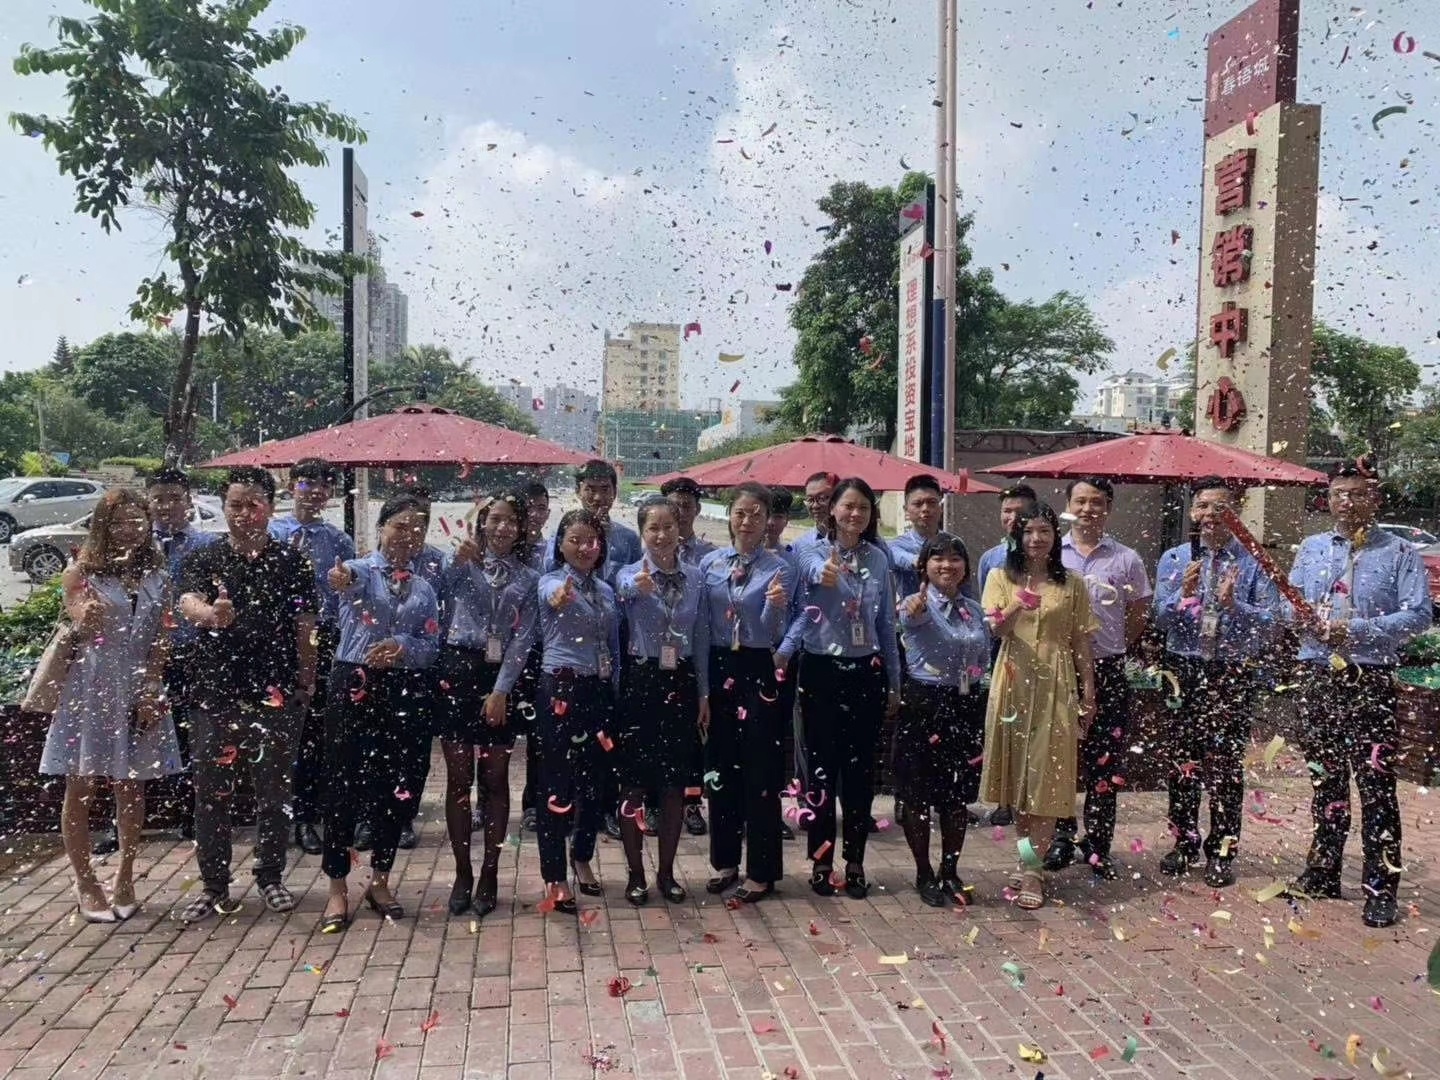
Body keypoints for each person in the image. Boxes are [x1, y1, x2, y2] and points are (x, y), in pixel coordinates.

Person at [1281, 463, 1430, 928]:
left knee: (1375, 784)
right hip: (1317, 673)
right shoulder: (1312, 547)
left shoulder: (1400, 552)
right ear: (1328, 500)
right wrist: (1298, 616)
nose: (1346, 502)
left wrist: (1357, 629)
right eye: (1338, 494)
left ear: (1375, 499)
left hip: (1370, 676)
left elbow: (1419, 615)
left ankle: (1380, 888)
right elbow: (1287, 604)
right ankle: (1323, 871)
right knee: (1325, 779)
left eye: (1357, 494)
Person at [176, 467, 318, 923]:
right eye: (235, 504)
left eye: (253, 504)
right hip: (214, 692)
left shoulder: (291, 561)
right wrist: (210, 615)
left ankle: (270, 875)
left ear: (270, 508)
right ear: (223, 508)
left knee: (273, 792)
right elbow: (186, 602)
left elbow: (305, 626)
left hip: (275, 692)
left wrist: (307, 680)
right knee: (211, 794)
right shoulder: (206, 557)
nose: (244, 513)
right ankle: (214, 884)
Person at [41, 489, 182, 922]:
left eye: (137, 521)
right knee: (81, 786)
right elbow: (77, 613)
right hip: (90, 688)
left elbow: (162, 637)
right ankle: (85, 882)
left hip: (139, 687)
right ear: (102, 526)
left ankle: (125, 876)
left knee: (131, 786)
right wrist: (84, 614)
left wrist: (152, 686)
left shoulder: (158, 575)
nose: (129, 530)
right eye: (119, 522)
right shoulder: (81, 572)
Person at [317, 495, 440, 932]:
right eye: (400, 526)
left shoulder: (424, 588)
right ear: (381, 528)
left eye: (417, 528)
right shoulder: (360, 570)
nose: (408, 535)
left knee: (395, 785)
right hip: (354, 681)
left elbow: (432, 646)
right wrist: (342, 577)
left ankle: (381, 880)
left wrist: (402, 646)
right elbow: (344, 582)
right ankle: (337, 887)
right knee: (343, 784)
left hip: (402, 688)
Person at [1152, 478, 1279, 887]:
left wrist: (1233, 605)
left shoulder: (1253, 560)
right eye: (1204, 506)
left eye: (1221, 507)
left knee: (1225, 764)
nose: (1211, 515)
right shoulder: (1174, 558)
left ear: (1236, 513)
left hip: (1230, 669)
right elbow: (1159, 619)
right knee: (1182, 760)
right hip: (1183, 667)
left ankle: (1222, 851)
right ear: (1193, 512)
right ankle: (1184, 842)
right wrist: (1181, 596)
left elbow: (1272, 622)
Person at [779, 477, 901, 900]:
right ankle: (821, 860)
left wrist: (893, 682)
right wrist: (823, 573)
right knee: (820, 771)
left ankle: (855, 862)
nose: (855, 514)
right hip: (820, 672)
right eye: (848, 506)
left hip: (866, 671)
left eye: (863, 508)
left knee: (859, 774)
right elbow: (805, 591)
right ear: (832, 509)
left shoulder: (878, 558)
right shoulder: (808, 550)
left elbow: (886, 624)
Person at [92, 468, 220, 857]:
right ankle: (120, 825)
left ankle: (191, 817)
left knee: (192, 738)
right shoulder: (128, 547)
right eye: (158, 499)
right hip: (134, 661)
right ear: (148, 504)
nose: (167, 506)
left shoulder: (206, 545)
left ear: (189, 501)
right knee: (125, 740)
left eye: (175, 498)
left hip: (190, 654)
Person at [981, 503, 1097, 910]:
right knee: (1019, 780)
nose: (1036, 538)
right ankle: (1027, 857)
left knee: (1047, 777)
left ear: (1054, 536)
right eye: (1028, 531)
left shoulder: (1073, 583)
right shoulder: (999, 576)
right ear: (1017, 536)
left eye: (1044, 530)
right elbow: (996, 628)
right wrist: (1019, 604)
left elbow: (1081, 642)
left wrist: (1089, 693)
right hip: (1012, 681)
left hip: (1056, 682)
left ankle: (1032, 870)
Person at [435, 491, 539, 916]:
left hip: (502, 677)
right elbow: (437, 595)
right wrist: (457, 561)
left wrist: (501, 690)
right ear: (481, 523)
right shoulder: (460, 561)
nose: (502, 527)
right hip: (459, 669)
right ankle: (463, 871)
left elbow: (524, 639)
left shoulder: (529, 578)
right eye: (494, 519)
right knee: (459, 780)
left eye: (510, 520)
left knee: (495, 779)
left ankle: (490, 873)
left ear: (521, 527)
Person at [1044, 477, 1151, 880]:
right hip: (1058, 670)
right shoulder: (1051, 556)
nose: (1088, 509)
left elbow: (1139, 612)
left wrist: (1113, 644)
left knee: (1105, 759)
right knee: (1059, 758)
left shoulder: (1127, 559)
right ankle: (1060, 836)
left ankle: (1099, 844)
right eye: (1081, 501)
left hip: (1107, 668)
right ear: (1068, 505)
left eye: (1097, 503)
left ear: (1108, 508)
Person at [699, 483, 794, 902]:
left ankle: (761, 870)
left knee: (760, 769)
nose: (748, 521)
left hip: (758, 665)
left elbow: (776, 631)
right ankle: (725, 862)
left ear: (768, 519)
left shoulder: (780, 568)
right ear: (729, 516)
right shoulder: (711, 563)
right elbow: (702, 625)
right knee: (721, 767)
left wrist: (775, 605)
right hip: (720, 664)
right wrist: (702, 688)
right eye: (740, 512)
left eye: (757, 513)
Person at [613, 497, 710, 904]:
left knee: (673, 786)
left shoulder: (695, 578)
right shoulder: (629, 574)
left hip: (681, 681)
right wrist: (634, 588)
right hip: (641, 681)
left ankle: (666, 873)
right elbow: (618, 594)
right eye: (653, 527)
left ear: (679, 528)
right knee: (634, 785)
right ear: (642, 532)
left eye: (668, 526)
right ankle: (635, 874)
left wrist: (703, 692)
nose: (662, 534)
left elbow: (701, 637)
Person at [895, 533, 990, 907]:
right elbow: (909, 619)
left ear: (965, 567)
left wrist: (974, 681)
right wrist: (914, 610)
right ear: (924, 566)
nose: (946, 565)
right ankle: (923, 872)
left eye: (954, 558)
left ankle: (950, 870)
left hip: (964, 704)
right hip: (924, 703)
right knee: (917, 795)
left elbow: (983, 658)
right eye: (938, 559)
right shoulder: (915, 604)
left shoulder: (974, 610)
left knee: (956, 797)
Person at [534, 508, 621, 913]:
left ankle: (582, 855)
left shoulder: (605, 590)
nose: (585, 548)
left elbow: (613, 644)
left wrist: (615, 687)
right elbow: (551, 595)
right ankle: (555, 875)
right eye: (575, 540)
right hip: (561, 688)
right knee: (557, 782)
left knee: (594, 780)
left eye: (592, 541)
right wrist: (560, 595)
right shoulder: (551, 581)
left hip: (598, 689)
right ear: (560, 545)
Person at [267, 458, 354, 857]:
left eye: (322, 485)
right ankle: (272, 816)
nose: (314, 491)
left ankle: (305, 816)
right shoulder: (273, 531)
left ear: (330, 493)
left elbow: (347, 597)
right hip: (276, 638)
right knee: (273, 727)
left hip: (323, 637)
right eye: (306, 483)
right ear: (291, 487)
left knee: (313, 731)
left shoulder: (339, 540)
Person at [971, 483, 1037, 829]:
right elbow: (988, 616)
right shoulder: (991, 560)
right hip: (1004, 653)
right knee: (1005, 728)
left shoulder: (1049, 555)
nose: (1013, 518)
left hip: (1042, 656)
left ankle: (1035, 798)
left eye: (1020, 512)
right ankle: (1004, 800)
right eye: (1006, 512)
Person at [764, 485, 799, 842]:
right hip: (743, 658)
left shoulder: (793, 560)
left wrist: (786, 650)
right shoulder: (736, 559)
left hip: (782, 661)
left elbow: (804, 612)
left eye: (777, 515)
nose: (771, 523)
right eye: (766, 514)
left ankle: (771, 811)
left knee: (775, 740)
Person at [889, 474, 946, 600]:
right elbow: (902, 558)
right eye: (918, 504)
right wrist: (919, 561)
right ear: (906, 509)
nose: (925, 509)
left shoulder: (953, 543)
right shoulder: (896, 546)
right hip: (912, 610)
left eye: (932, 502)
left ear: (941, 507)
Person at [661, 476, 718, 567]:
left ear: (697, 509)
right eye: (674, 506)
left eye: (686, 506)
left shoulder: (712, 556)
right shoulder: (652, 552)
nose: (681, 512)